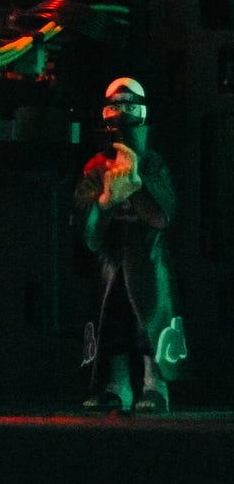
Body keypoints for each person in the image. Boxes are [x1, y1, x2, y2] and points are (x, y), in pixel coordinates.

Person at [73, 77, 187, 411]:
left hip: (149, 260)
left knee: (149, 322)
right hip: (112, 264)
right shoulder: (95, 166)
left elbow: (165, 214)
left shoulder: (152, 162)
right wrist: (106, 202)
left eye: (128, 105)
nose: (121, 113)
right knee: (114, 322)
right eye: (114, 106)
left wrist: (136, 187)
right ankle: (117, 384)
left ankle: (154, 384)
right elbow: (87, 222)